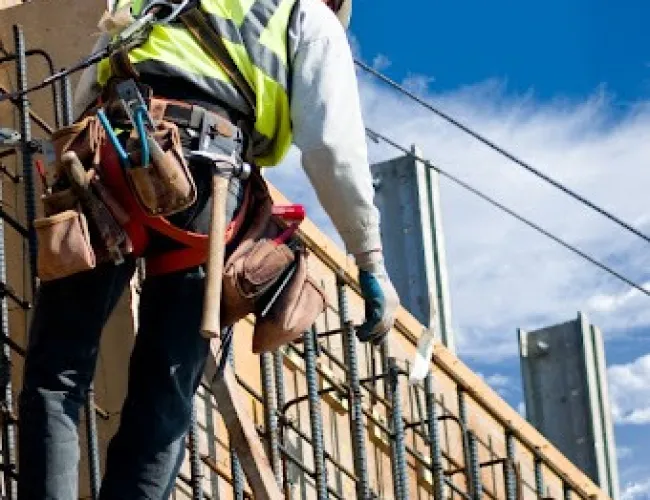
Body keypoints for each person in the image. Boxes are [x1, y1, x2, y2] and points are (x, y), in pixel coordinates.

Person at [17, 0, 400, 498]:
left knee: (58, 372)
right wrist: (369, 259)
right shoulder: (309, 16)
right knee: (164, 402)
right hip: (208, 186)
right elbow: (334, 148)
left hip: (113, 154)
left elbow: (90, 83)